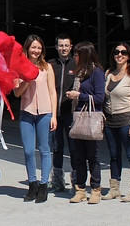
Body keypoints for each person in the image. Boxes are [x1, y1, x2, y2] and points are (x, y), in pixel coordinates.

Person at [13, 34, 57, 203]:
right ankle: (33, 184)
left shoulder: (47, 67)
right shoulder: (19, 68)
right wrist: (27, 80)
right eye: (33, 47)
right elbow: (17, 93)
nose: (36, 51)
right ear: (27, 48)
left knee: (44, 149)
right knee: (28, 151)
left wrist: (54, 115)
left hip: (45, 112)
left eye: (39, 47)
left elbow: (53, 92)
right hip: (27, 112)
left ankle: (44, 185)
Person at [64, 41, 105, 204]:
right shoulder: (79, 72)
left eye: (77, 54)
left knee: (92, 156)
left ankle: (96, 189)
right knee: (79, 156)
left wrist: (78, 96)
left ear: (85, 55)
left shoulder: (97, 72)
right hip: (78, 116)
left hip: (91, 117)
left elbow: (100, 97)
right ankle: (80, 189)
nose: (74, 56)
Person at [102, 43, 130, 202]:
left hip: (126, 119)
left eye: (123, 52)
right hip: (110, 120)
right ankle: (114, 188)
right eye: (116, 52)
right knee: (113, 156)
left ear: (129, 55)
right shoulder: (108, 73)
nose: (119, 55)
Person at [47, 33, 76, 192]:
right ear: (56, 47)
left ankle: (76, 181)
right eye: (61, 45)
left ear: (71, 47)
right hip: (55, 115)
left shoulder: (76, 64)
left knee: (74, 148)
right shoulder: (50, 65)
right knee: (57, 148)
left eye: (66, 45)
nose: (63, 48)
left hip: (71, 114)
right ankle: (57, 181)